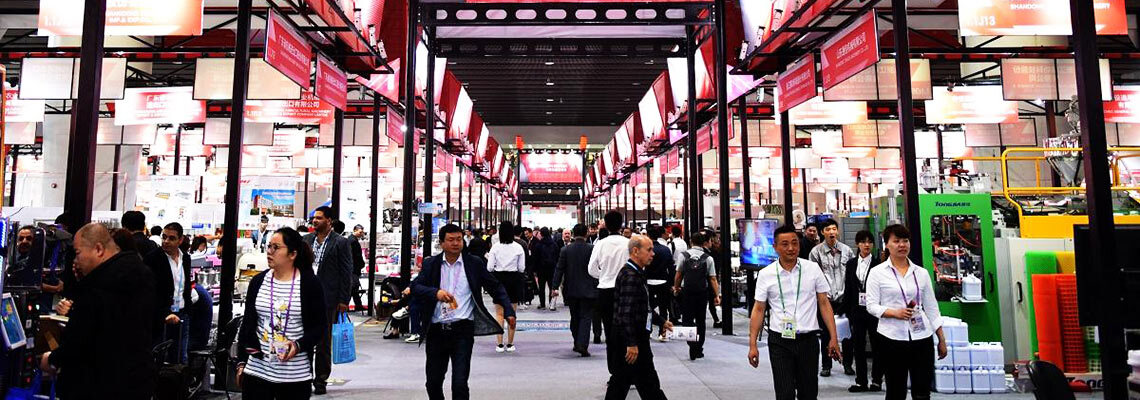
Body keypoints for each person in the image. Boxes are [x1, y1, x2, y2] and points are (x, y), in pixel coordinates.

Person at [40, 223, 157, 400]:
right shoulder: (141, 273)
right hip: (135, 379)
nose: (76, 261)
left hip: (97, 384)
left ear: (99, 249)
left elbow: (81, 339)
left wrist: (52, 360)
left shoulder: (98, 285)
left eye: (78, 253)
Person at [410, 224, 515, 400]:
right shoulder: (431, 264)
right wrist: (435, 293)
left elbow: (495, 286)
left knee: (459, 383)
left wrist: (509, 311)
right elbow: (415, 287)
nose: (456, 243)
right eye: (451, 240)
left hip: (462, 330)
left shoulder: (474, 263)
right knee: (433, 382)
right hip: (437, 330)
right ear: (442, 243)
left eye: (459, 239)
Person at [747, 225, 842, 400]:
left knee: (809, 393)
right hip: (779, 341)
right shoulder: (766, 274)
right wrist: (752, 344)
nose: (791, 248)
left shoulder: (812, 269)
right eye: (785, 244)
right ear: (775, 247)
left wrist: (833, 337)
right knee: (784, 393)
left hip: (808, 340)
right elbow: (759, 309)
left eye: (794, 243)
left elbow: (824, 303)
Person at [236, 227, 328, 400]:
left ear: (292, 254)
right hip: (257, 371)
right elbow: (247, 325)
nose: (269, 251)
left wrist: (297, 345)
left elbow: (320, 327)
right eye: (269, 246)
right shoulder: (258, 281)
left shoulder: (309, 284)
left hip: (295, 375)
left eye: (276, 247)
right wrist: (241, 362)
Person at [866, 224, 948, 400]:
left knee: (922, 391)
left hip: (922, 337)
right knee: (896, 391)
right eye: (896, 241)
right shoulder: (877, 273)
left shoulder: (921, 273)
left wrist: (941, 338)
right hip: (891, 337)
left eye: (905, 240)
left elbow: (932, 308)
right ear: (887, 244)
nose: (902, 245)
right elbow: (871, 305)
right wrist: (894, 313)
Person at [605, 235, 672, 400]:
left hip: (631, 336)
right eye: (649, 250)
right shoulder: (631, 276)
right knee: (645, 384)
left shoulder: (636, 273)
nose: (653, 254)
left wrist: (661, 322)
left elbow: (643, 308)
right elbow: (625, 313)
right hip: (631, 338)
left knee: (623, 383)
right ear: (635, 251)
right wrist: (631, 343)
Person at [302, 206, 354, 395]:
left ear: (329, 221)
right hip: (306, 297)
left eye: (319, 218)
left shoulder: (340, 242)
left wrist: (344, 299)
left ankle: (321, 380)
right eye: (314, 218)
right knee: (305, 340)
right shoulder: (306, 240)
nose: (315, 221)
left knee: (323, 343)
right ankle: (304, 378)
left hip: (328, 298)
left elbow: (346, 272)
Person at [587, 211, 631, 383]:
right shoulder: (628, 243)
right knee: (627, 330)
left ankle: (614, 372)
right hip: (625, 290)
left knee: (610, 333)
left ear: (605, 224)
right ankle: (628, 370)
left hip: (605, 291)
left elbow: (591, 269)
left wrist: (604, 275)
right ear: (621, 224)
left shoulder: (600, 244)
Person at [807, 218, 855, 376]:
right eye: (828, 230)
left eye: (834, 229)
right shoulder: (815, 253)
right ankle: (826, 365)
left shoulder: (847, 251)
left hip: (844, 300)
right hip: (825, 300)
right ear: (822, 232)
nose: (832, 232)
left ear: (838, 231)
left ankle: (847, 364)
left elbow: (852, 275)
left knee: (847, 334)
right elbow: (812, 277)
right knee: (826, 334)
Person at [144, 222, 193, 364]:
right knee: (159, 358)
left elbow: (185, 286)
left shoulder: (185, 258)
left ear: (180, 240)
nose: (166, 241)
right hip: (161, 316)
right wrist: (163, 313)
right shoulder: (153, 258)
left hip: (182, 313)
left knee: (180, 357)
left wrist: (188, 309)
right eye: (164, 237)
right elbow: (150, 291)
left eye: (171, 238)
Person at [843, 230, 884, 392]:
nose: (866, 245)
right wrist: (845, 309)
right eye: (863, 242)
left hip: (874, 310)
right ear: (857, 244)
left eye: (869, 242)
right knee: (858, 346)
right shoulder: (851, 264)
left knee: (877, 345)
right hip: (856, 310)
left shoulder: (878, 264)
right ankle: (861, 381)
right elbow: (848, 288)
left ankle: (877, 380)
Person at [672, 230, 720, 360]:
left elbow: (679, 274)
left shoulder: (683, 256)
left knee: (687, 319)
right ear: (704, 243)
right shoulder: (708, 258)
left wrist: (676, 288)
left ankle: (691, 344)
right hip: (702, 292)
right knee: (700, 321)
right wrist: (717, 295)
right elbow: (713, 278)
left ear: (691, 242)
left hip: (687, 292)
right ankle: (699, 348)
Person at [551, 223, 598, 356]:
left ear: (573, 234)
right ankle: (582, 344)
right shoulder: (592, 249)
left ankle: (577, 342)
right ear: (586, 234)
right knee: (586, 317)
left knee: (575, 316)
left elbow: (559, 269)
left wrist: (555, 286)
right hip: (589, 288)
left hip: (570, 288)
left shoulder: (565, 250)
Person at [485, 221, 526, 353]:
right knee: (512, 313)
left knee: (499, 313)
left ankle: (499, 344)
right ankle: (510, 343)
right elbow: (521, 268)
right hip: (514, 280)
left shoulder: (495, 247)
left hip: (498, 280)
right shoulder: (518, 248)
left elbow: (489, 267)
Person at [645, 225, 675, 342]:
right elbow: (671, 268)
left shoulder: (646, 250)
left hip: (648, 281)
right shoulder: (665, 249)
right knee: (663, 308)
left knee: (648, 308)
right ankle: (663, 333)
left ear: (648, 235)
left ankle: (648, 331)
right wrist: (672, 283)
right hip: (663, 281)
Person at [333, 220, 366, 313]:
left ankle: (357, 305)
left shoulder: (351, 240)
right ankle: (347, 305)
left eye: (362, 232)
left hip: (353, 268)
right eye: (360, 232)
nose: (361, 234)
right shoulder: (352, 241)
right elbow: (354, 256)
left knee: (354, 288)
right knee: (353, 287)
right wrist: (360, 264)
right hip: (353, 269)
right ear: (355, 230)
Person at [531, 227, 559, 311]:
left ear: (542, 234)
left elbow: (535, 258)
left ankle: (542, 304)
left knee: (541, 287)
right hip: (552, 269)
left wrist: (534, 270)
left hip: (541, 269)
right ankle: (551, 303)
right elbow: (557, 257)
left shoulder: (538, 245)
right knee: (551, 287)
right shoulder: (554, 244)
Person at [704, 229, 724, 329]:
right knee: (712, 299)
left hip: (708, 278)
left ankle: (716, 319)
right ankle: (716, 320)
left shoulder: (709, 252)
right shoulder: (713, 252)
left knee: (709, 300)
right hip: (711, 277)